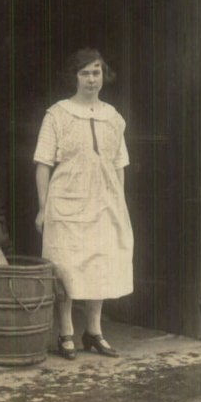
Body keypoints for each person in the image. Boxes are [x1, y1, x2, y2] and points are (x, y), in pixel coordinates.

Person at [33, 48, 133, 360]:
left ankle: (93, 332)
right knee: (66, 267)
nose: (92, 79)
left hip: (104, 202)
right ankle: (66, 333)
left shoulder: (113, 117)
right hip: (65, 202)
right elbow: (42, 163)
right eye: (85, 73)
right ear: (75, 77)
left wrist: (119, 201)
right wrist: (42, 207)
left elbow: (119, 163)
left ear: (104, 76)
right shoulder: (58, 114)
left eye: (96, 72)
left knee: (99, 264)